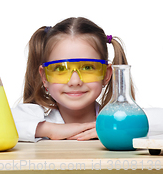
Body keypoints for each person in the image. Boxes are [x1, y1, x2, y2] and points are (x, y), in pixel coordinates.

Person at [12, 17, 162, 142]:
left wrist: (116, 125)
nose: (75, 81)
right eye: (60, 69)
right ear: (44, 77)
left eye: (88, 68)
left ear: (107, 74)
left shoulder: (122, 118)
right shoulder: (33, 120)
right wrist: (49, 129)